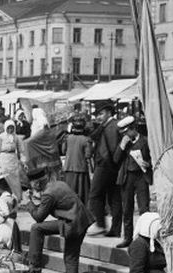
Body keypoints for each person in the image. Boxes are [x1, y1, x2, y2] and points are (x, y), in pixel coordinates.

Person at [27, 166, 93, 273]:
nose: (33, 188)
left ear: (38, 183)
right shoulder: (58, 184)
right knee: (71, 258)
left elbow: (39, 216)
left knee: (36, 228)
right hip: (82, 220)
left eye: (33, 185)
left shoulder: (48, 194)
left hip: (72, 223)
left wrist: (29, 204)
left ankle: (34, 265)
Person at [113, 115, 152, 249]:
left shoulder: (145, 141)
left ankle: (144, 238)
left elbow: (153, 157)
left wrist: (149, 164)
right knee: (127, 209)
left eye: (127, 132)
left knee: (144, 209)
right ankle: (127, 238)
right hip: (127, 177)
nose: (126, 135)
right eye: (123, 133)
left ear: (133, 129)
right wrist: (122, 145)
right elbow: (116, 159)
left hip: (141, 176)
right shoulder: (124, 143)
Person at [87, 104, 122, 237]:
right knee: (114, 198)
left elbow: (112, 148)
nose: (99, 117)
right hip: (111, 166)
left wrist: (106, 162)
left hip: (105, 165)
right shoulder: (107, 125)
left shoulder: (112, 126)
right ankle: (115, 229)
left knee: (95, 194)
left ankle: (101, 224)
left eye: (101, 114)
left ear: (108, 113)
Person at [62, 117, 93, 206]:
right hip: (81, 169)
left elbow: (63, 151)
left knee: (69, 192)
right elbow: (88, 155)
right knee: (82, 194)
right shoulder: (86, 139)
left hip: (68, 168)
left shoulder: (67, 138)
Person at [0, 119, 25, 202]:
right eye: (8, 128)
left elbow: (21, 150)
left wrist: (23, 160)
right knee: (5, 178)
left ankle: (16, 197)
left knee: (15, 178)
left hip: (13, 159)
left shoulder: (16, 137)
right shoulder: (1, 137)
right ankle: (6, 198)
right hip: (3, 159)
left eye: (12, 128)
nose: (10, 130)